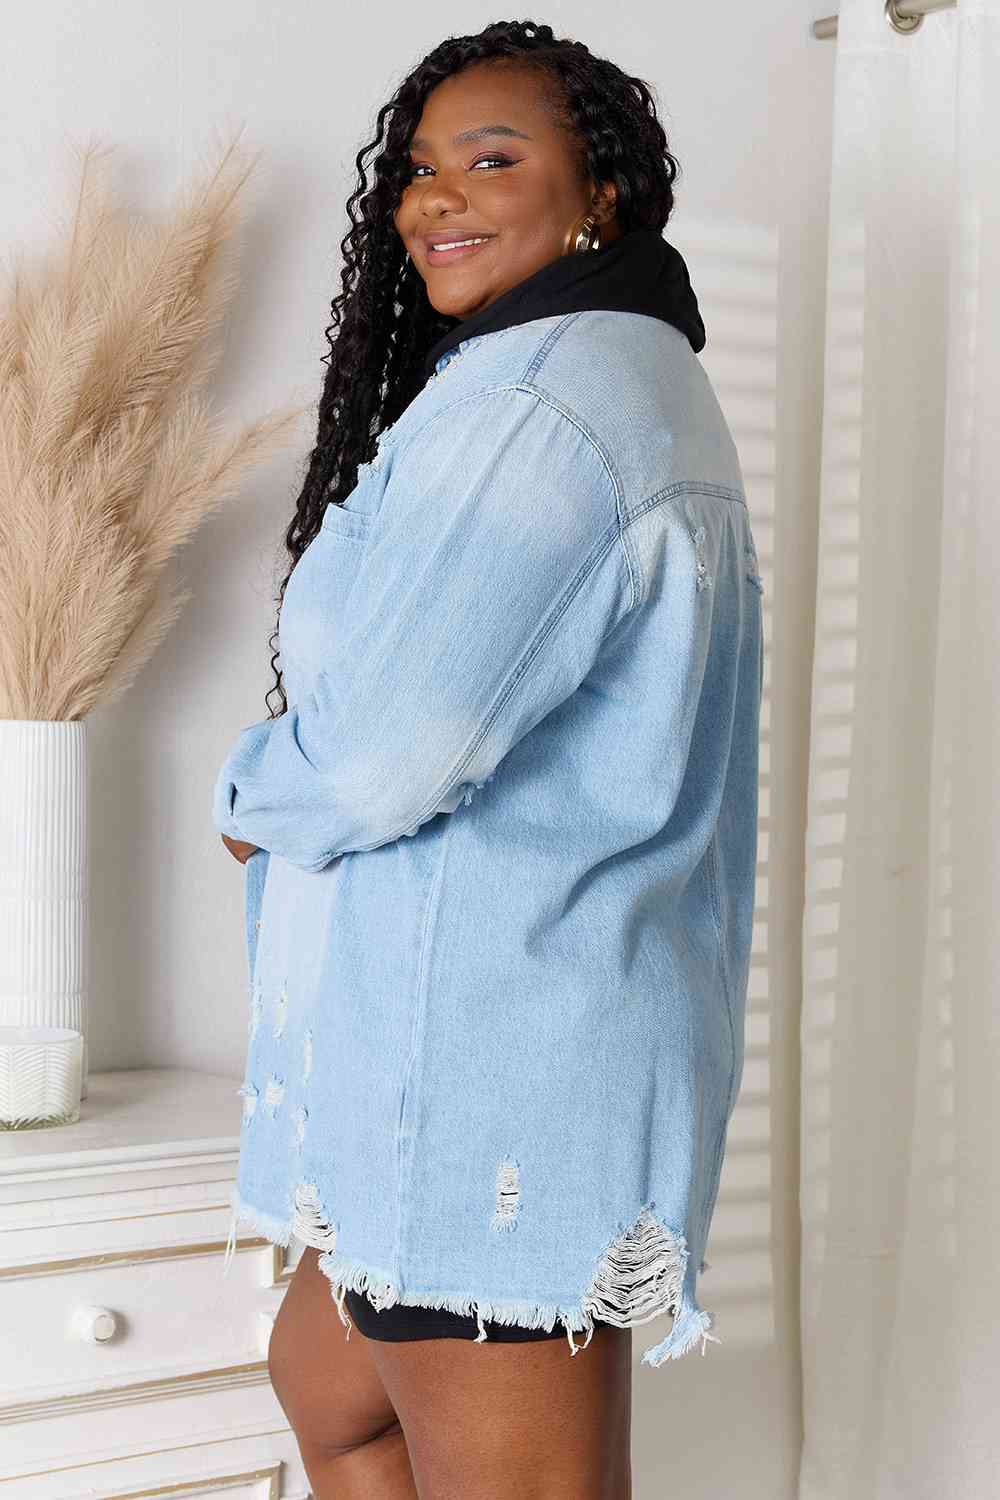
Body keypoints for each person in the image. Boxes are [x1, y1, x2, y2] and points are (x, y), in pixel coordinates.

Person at [212, 18, 763, 1499]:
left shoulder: (544, 403)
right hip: (471, 1037)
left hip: (479, 1057)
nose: (434, 197)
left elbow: (393, 752)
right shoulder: (589, 370)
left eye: (493, 159)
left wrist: (253, 800)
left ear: (600, 194)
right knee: (334, 1393)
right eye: (416, 168)